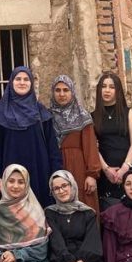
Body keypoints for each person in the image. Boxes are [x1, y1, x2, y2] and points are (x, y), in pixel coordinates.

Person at [0, 66, 63, 208]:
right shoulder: (0, 113)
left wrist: (56, 174)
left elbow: (53, 148)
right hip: (11, 176)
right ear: (11, 82)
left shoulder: (42, 112)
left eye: (26, 79)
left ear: (31, 84)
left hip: (40, 171)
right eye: (18, 79)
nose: (22, 82)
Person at [48, 75, 99, 212]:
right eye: (57, 90)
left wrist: (91, 175)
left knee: (83, 207)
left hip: (80, 170)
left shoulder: (83, 116)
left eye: (66, 90)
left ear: (72, 92)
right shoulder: (47, 117)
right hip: (57, 168)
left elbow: (91, 148)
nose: (62, 94)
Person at [91, 71, 132, 212]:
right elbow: (93, 147)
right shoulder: (92, 117)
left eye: (111, 87)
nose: (107, 90)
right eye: (104, 86)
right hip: (106, 173)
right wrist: (106, 169)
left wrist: (125, 168)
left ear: (117, 91)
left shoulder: (128, 113)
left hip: (129, 170)